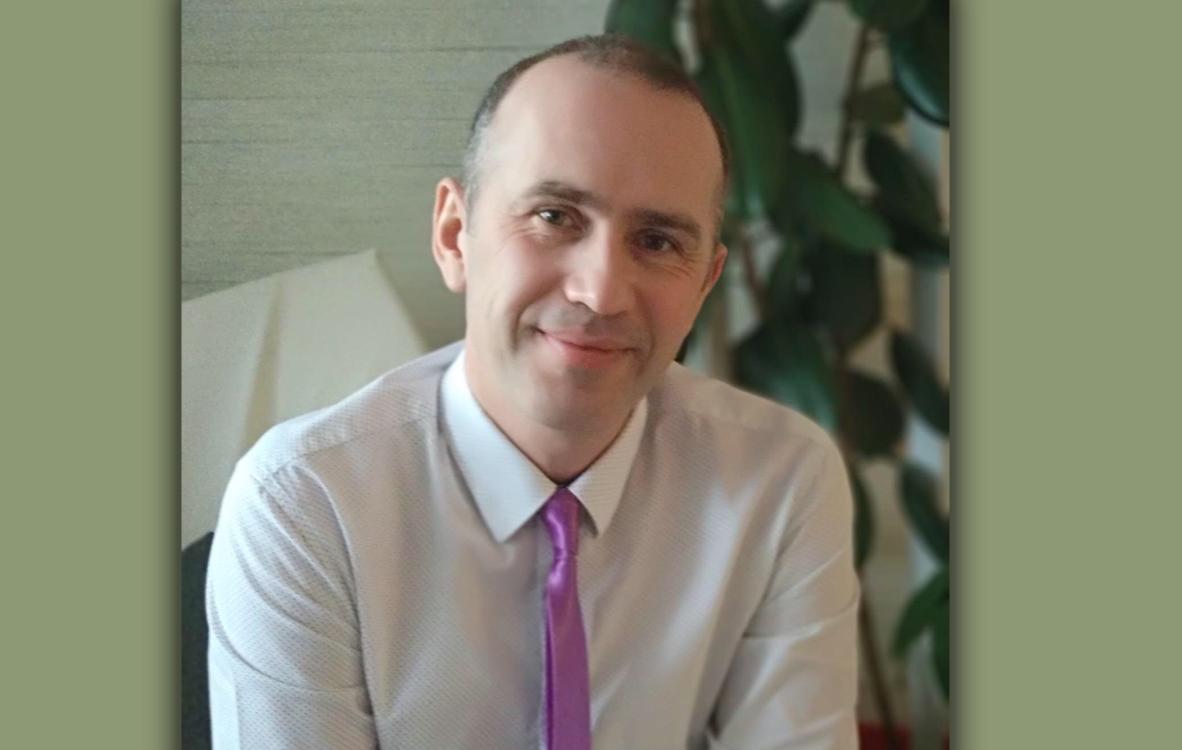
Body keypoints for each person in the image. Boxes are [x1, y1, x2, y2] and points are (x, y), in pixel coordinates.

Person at [205, 34, 859, 750]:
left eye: (657, 241)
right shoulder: (305, 506)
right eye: (554, 216)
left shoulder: (781, 480)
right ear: (454, 236)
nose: (601, 292)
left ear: (704, 284)